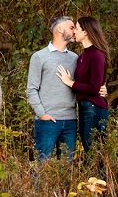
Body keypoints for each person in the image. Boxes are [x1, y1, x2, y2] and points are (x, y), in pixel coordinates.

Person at [26, 15, 79, 162]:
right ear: (60, 29)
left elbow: (83, 84)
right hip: (47, 121)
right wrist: (42, 114)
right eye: (71, 27)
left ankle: (63, 187)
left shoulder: (75, 58)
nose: (74, 31)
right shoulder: (39, 57)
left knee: (66, 168)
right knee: (42, 167)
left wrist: (101, 88)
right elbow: (31, 89)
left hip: (70, 120)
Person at [56, 16, 110, 153]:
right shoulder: (82, 56)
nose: (74, 32)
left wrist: (70, 83)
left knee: (94, 151)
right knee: (88, 148)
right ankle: (93, 175)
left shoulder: (97, 55)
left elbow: (93, 88)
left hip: (95, 108)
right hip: (85, 106)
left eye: (77, 28)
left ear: (85, 32)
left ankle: (101, 175)